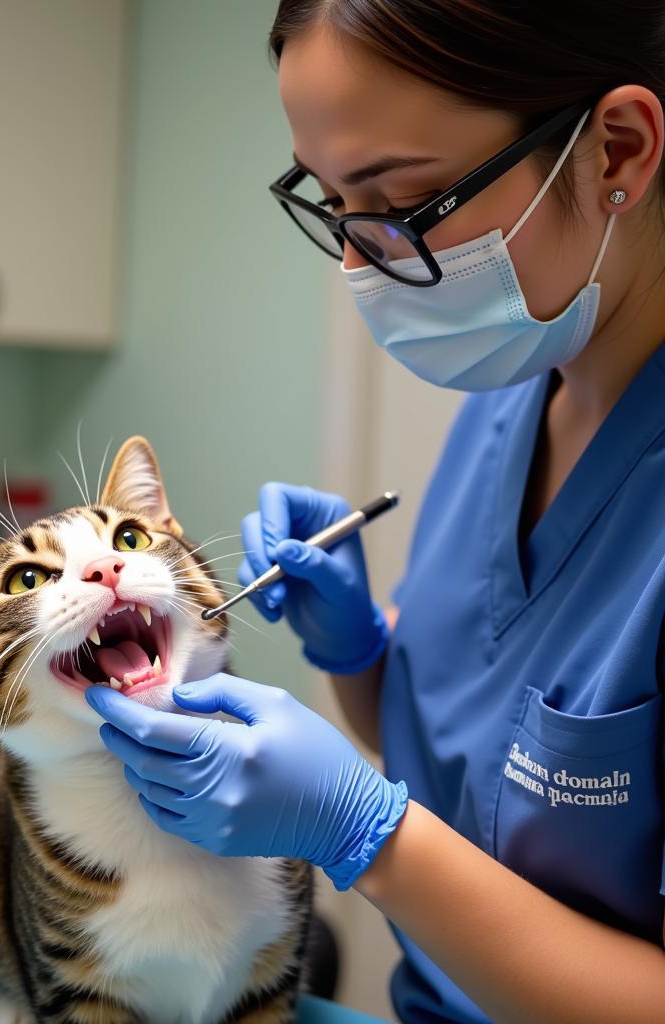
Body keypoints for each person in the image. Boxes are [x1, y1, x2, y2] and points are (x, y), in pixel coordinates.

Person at [84, 2, 665, 1020]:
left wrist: (366, 835)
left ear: (616, 147)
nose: (359, 265)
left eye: (412, 200)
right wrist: (360, 655)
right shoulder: (512, 398)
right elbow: (472, 747)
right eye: (334, 203)